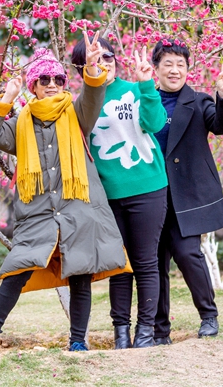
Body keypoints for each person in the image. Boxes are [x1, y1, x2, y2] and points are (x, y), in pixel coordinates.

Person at [0, 40, 129, 358]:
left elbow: (93, 91)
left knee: (81, 272)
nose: (52, 85)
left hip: (78, 209)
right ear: (33, 85)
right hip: (38, 214)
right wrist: (6, 99)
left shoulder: (77, 114)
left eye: (58, 79)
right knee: (17, 270)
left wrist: (92, 67)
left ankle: (78, 339)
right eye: (44, 80)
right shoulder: (20, 124)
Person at [70, 37, 169, 349]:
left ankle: (145, 333)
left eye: (109, 55)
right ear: (82, 66)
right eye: (97, 57)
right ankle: (121, 334)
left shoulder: (134, 89)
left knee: (145, 262)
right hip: (107, 195)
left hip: (148, 188)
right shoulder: (82, 103)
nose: (106, 60)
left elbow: (154, 123)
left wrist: (148, 85)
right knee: (120, 265)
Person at [151, 39, 223, 344]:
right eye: (168, 64)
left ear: (188, 69)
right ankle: (159, 330)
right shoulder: (145, 101)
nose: (175, 71)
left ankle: (208, 315)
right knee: (154, 263)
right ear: (156, 69)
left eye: (181, 65)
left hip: (185, 196)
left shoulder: (199, 101)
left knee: (189, 254)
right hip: (150, 194)